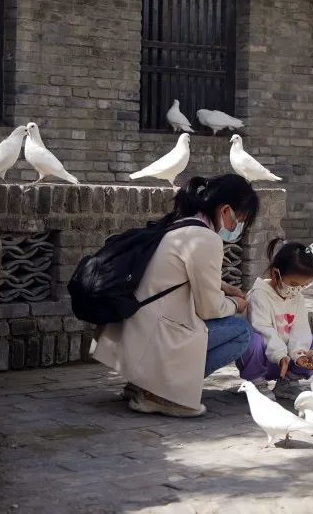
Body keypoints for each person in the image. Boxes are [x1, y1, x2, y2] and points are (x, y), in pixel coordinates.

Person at [92, 174, 259, 417]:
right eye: (239, 221)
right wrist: (236, 303)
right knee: (241, 332)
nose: (237, 229)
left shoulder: (183, 224)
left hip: (134, 331)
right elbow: (209, 309)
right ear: (226, 211)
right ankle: (161, 392)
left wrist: (223, 287)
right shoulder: (207, 238)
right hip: (156, 335)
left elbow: (176, 273)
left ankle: (142, 383)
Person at [237, 239, 313, 401]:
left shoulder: (298, 298)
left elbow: (300, 329)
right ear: (275, 274)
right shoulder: (259, 295)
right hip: (264, 360)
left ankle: (288, 383)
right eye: (293, 284)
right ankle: (257, 384)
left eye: (302, 285)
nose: (296, 289)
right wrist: (280, 356)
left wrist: (299, 354)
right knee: (253, 340)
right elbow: (263, 329)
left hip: (288, 362)